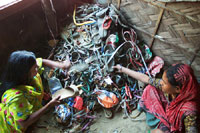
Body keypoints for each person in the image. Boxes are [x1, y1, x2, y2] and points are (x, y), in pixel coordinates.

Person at [113, 63, 200, 133]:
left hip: (177, 129)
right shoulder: (176, 90)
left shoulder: (190, 112)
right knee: (150, 89)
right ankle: (158, 122)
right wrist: (122, 69)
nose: (161, 83)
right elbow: (146, 79)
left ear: (177, 89)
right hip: (170, 117)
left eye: (164, 83)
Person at [0, 50, 71, 132]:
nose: (37, 67)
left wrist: (62, 65)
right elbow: (24, 123)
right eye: (35, 68)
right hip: (11, 126)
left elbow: (41, 61)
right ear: (24, 73)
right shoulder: (16, 98)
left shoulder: (23, 74)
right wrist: (49, 105)